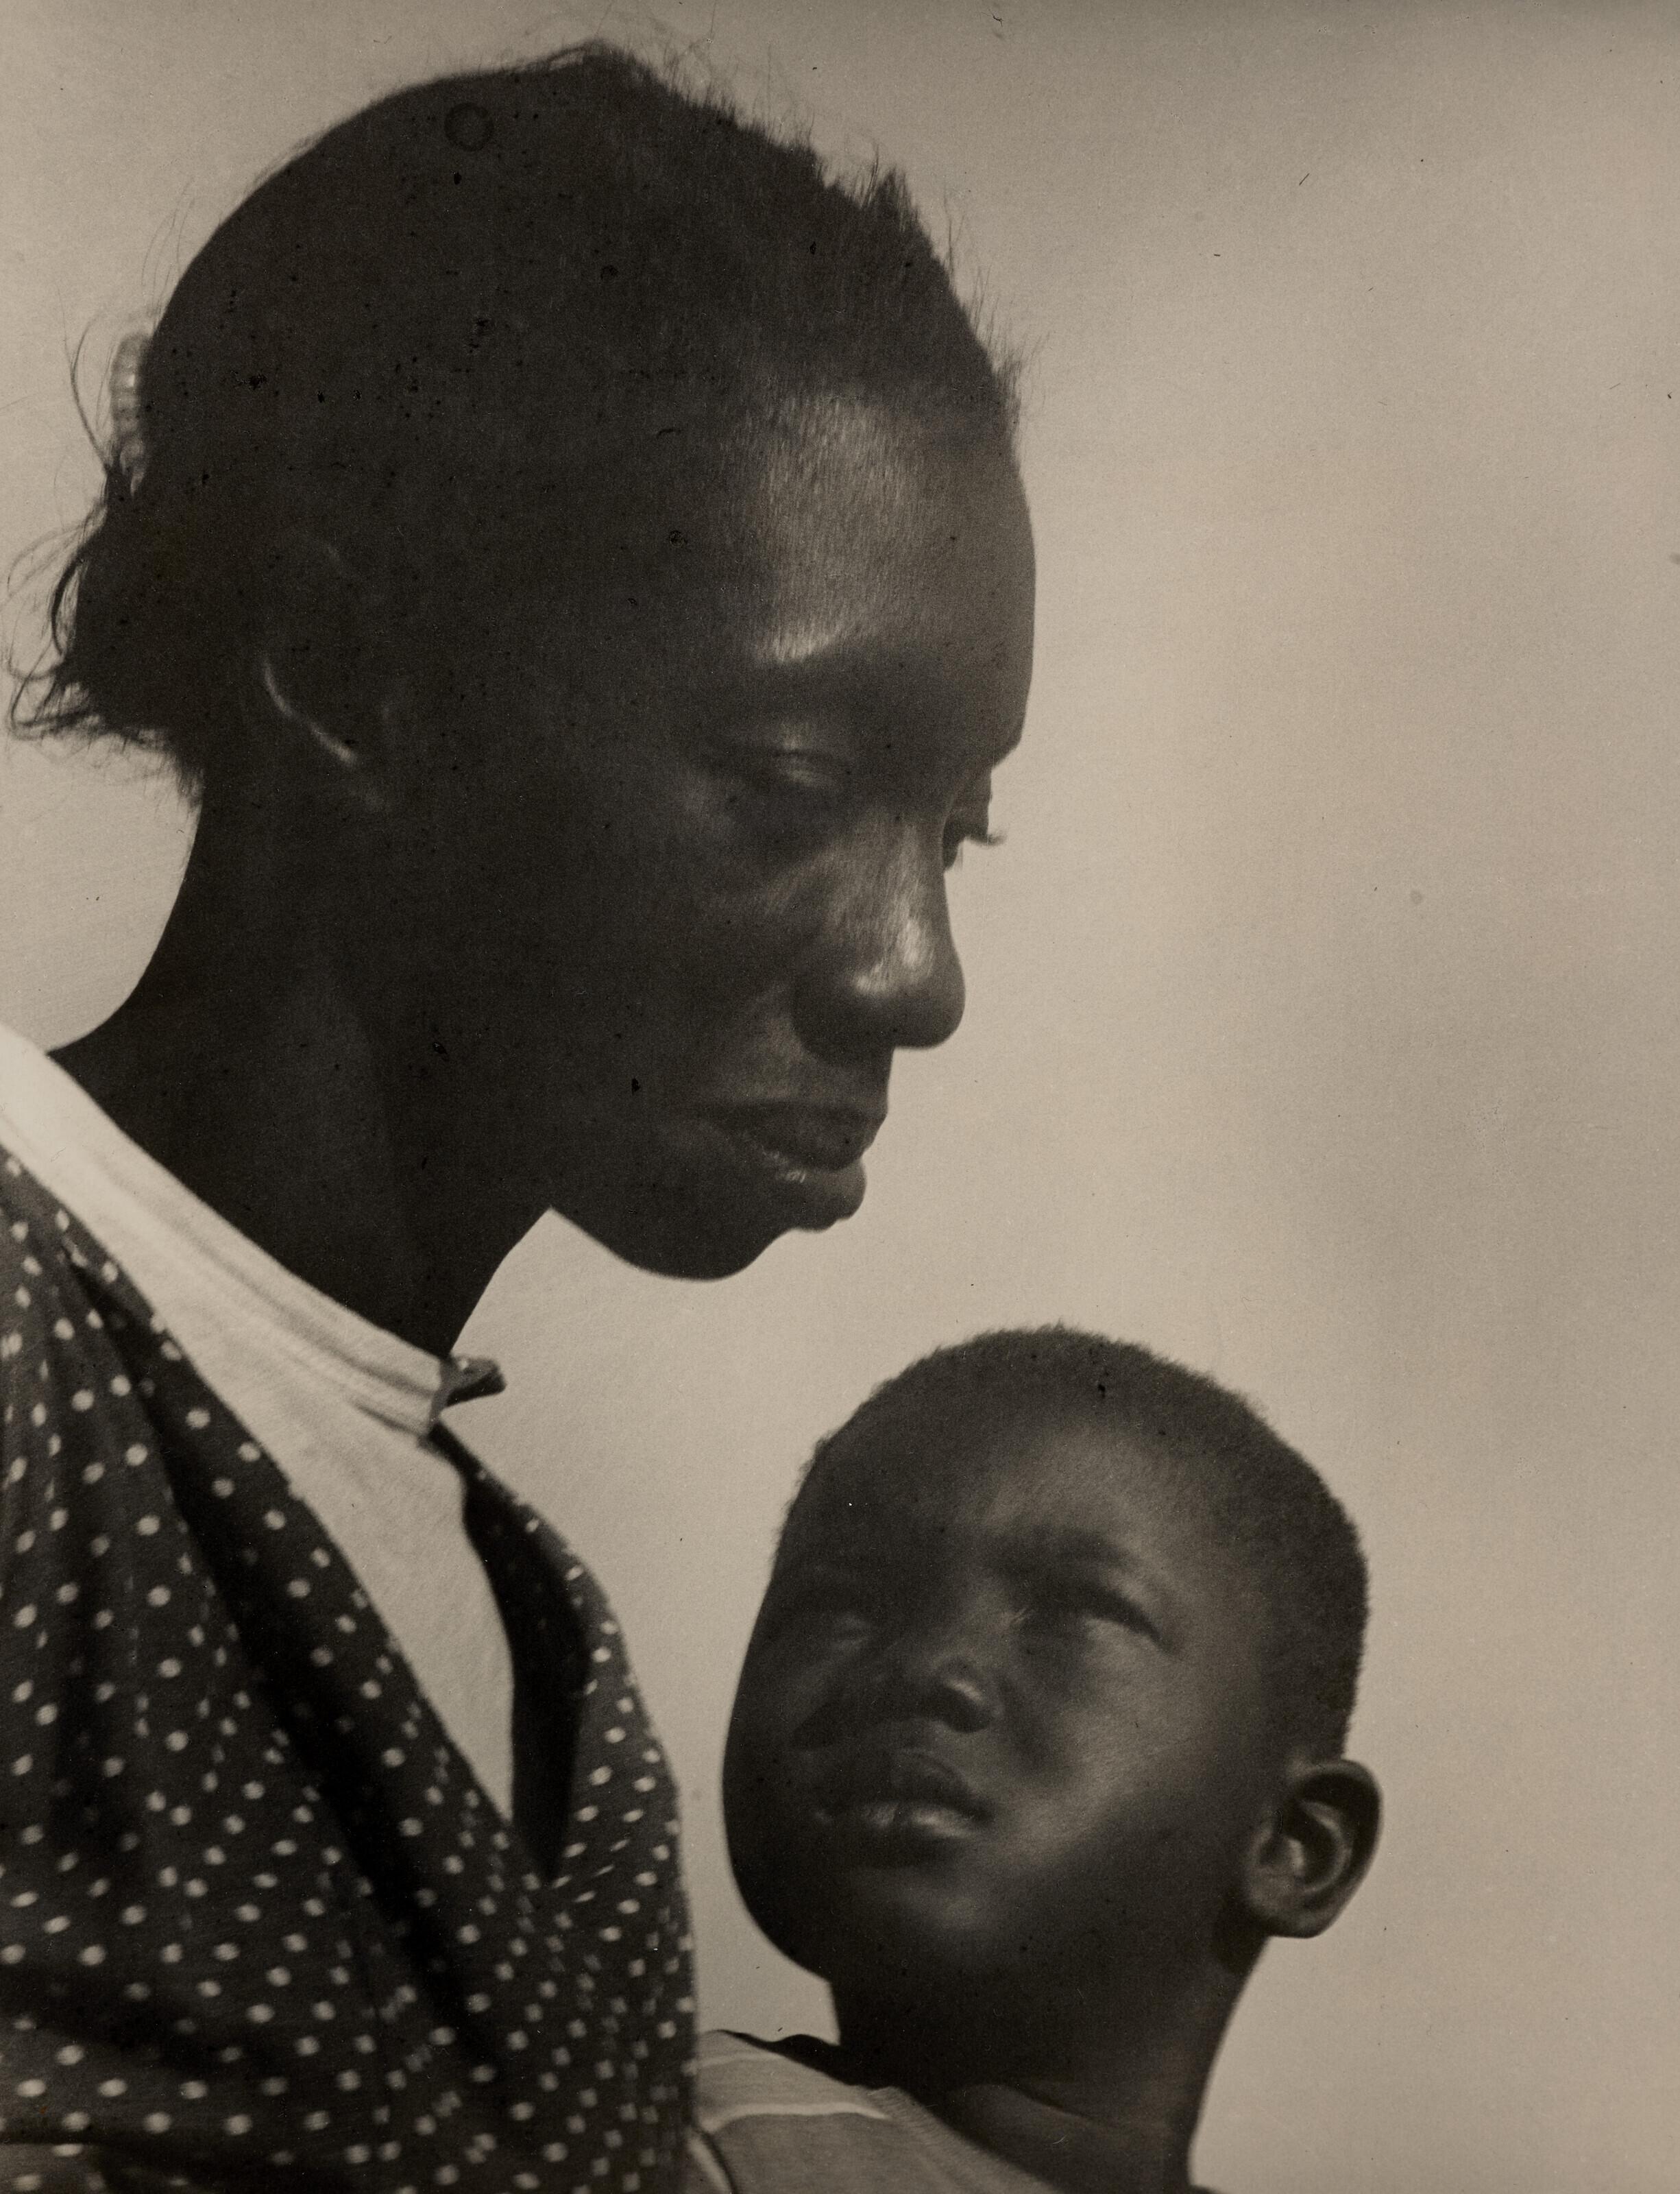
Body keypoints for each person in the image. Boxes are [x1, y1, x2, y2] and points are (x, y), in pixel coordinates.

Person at [0, 44, 1035, 2194]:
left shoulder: (554, 1666)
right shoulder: (26, 1365)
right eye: (791, 783)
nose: (914, 973)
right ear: (349, 679)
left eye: (957, 826)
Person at [698, 1327, 1381, 2194]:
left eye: (1075, 1609)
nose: (924, 1664)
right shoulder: (644, 2134)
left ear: (1293, 1846)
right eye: (839, 1602)